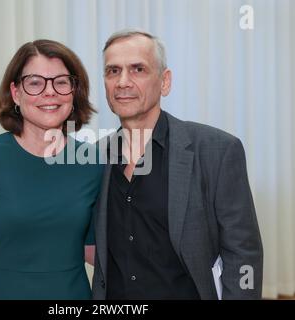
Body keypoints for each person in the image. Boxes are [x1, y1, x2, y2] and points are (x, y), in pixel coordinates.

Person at [91, 29, 263, 300]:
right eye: (113, 71)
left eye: (138, 69)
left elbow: (243, 253)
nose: (122, 81)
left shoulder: (216, 149)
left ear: (165, 81)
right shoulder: (95, 157)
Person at [0, 39, 102, 299]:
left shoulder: (93, 163)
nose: (49, 92)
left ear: (74, 91)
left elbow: (99, 251)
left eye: (61, 82)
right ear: (16, 93)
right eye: (35, 83)